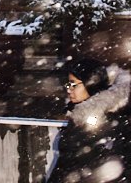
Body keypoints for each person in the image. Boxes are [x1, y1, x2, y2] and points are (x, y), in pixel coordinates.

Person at [46, 55, 131, 183]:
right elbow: (65, 166)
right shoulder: (78, 116)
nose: (69, 90)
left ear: (91, 83)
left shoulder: (111, 120)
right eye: (68, 84)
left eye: (74, 85)